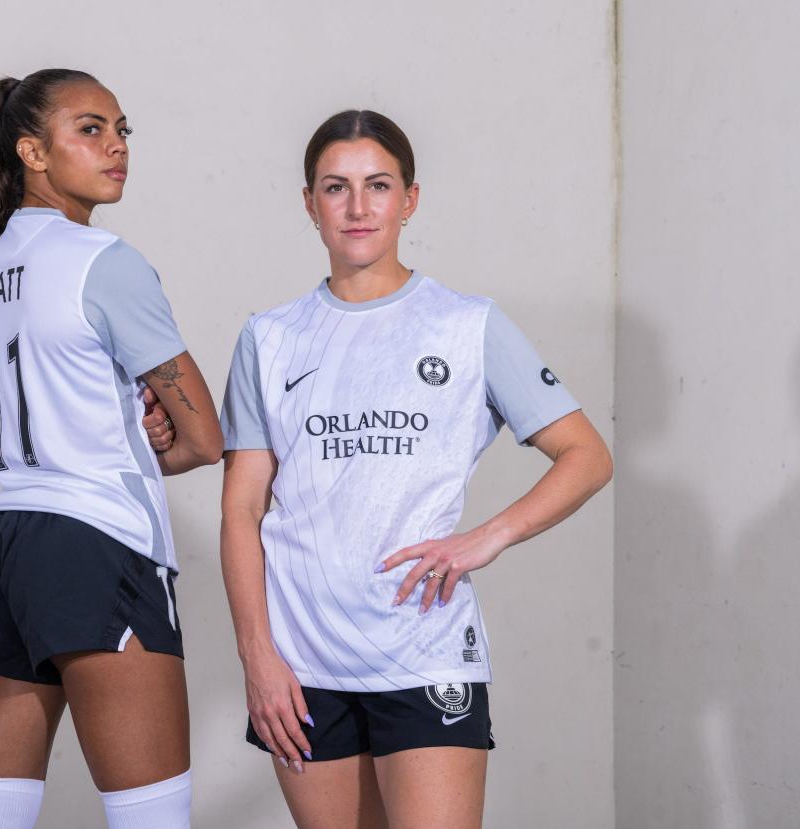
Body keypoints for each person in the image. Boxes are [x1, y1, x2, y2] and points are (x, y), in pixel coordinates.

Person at [218, 110, 612, 828]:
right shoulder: (268, 338)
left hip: (424, 650)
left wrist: (486, 537)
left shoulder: (467, 324)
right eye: (336, 188)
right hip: (300, 665)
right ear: (309, 202)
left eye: (379, 185)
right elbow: (242, 509)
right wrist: (257, 655)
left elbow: (587, 455)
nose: (359, 207)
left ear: (411, 199)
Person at [0, 68, 222, 829]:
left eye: (122, 129)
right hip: (98, 542)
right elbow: (205, 436)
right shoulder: (106, 263)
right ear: (33, 151)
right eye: (91, 129)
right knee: (150, 818)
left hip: (7, 543)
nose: (116, 147)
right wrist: (150, 439)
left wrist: (133, 429)